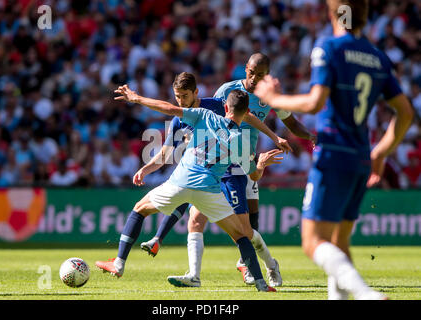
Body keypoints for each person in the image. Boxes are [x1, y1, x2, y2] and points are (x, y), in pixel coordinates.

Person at [253, 0, 414, 299]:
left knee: (313, 242)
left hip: (333, 153)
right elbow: (405, 113)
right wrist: (380, 153)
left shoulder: (329, 47)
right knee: (339, 245)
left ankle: (367, 294)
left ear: (334, 13)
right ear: (364, 17)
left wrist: (274, 98)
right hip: (361, 156)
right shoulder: (377, 57)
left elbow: (315, 101)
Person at [142, 53, 315, 288]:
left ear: (267, 75)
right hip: (215, 163)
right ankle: (193, 273)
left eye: (261, 75)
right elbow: (209, 118)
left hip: (244, 161)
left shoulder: (270, 97)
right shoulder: (226, 90)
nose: (255, 78)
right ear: (246, 69)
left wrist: (309, 136)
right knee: (195, 217)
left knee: (247, 228)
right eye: (252, 73)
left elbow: (292, 124)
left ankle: (268, 264)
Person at [95, 86, 284, 292]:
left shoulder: (205, 115)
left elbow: (168, 109)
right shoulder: (243, 143)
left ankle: (119, 263)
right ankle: (260, 283)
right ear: (247, 112)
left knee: (140, 209)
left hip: (181, 183)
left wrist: (137, 98)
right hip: (210, 191)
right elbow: (254, 176)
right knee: (240, 235)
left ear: (226, 107)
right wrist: (262, 164)